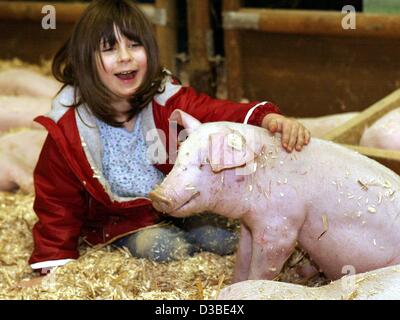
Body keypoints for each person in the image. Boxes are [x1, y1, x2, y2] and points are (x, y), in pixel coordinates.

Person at [28, 0, 310, 280]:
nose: (125, 56)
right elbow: (56, 202)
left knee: (224, 239)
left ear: (150, 51)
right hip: (120, 223)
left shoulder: (164, 99)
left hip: (176, 204)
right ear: (84, 60)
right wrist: (52, 264)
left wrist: (264, 118)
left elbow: (214, 112)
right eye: (109, 48)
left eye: (134, 45)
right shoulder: (70, 129)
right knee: (165, 248)